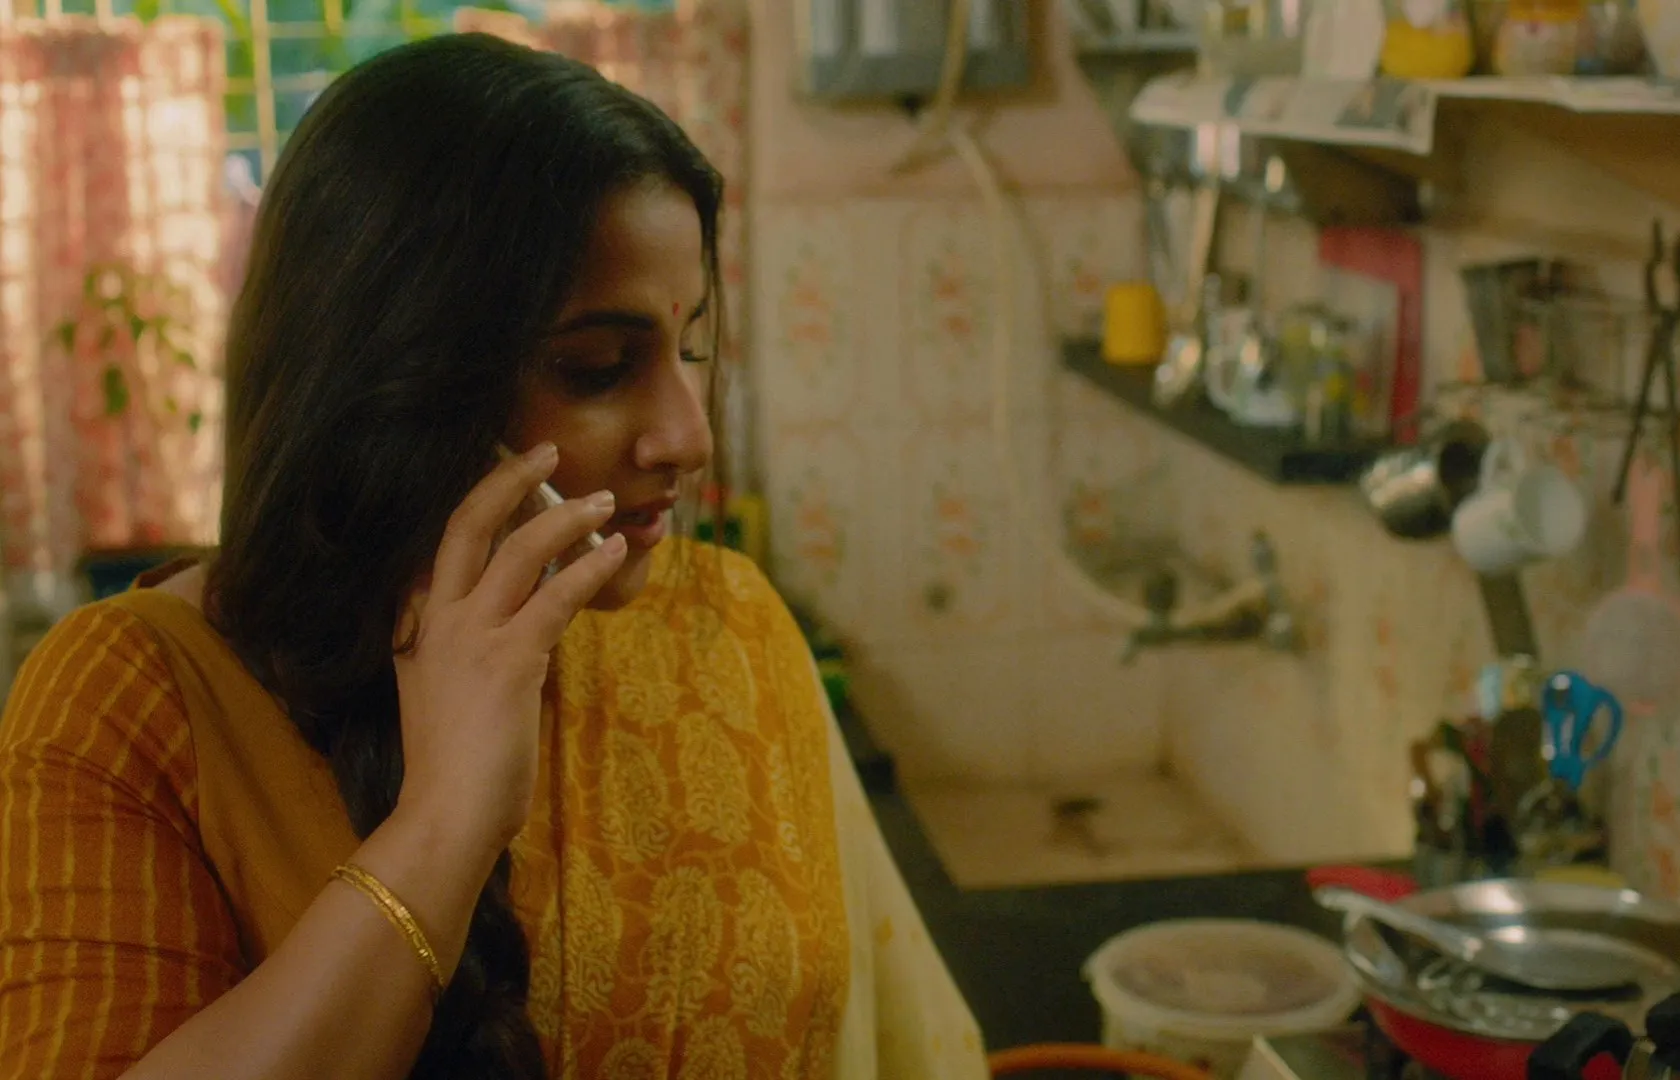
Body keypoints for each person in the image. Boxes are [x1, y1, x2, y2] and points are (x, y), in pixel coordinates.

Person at [0, 33, 985, 1080]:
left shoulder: (724, 622)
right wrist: (445, 821)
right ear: (387, 382)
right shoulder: (125, 698)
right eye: (596, 367)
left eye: (692, 346)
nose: (687, 436)